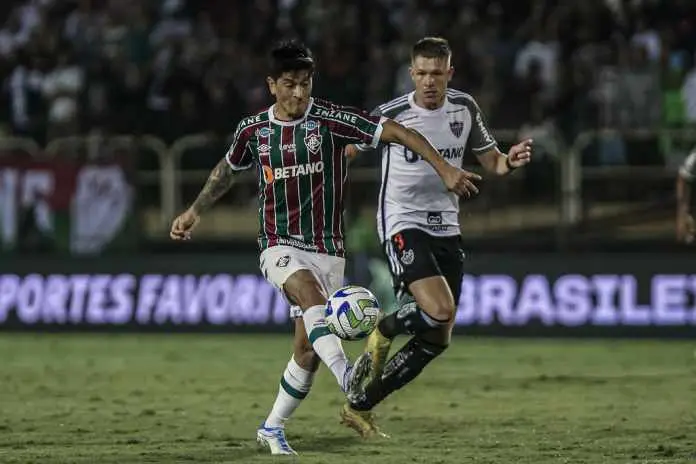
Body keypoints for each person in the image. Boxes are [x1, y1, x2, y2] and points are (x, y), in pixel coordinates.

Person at [169, 40, 482, 455]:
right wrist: (194, 210)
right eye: (288, 84)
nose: (298, 93)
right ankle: (348, 375)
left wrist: (443, 166)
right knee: (309, 295)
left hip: (328, 250)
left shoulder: (332, 121)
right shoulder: (253, 131)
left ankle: (271, 427)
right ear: (271, 85)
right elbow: (227, 168)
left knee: (306, 349)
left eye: (304, 83)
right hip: (278, 244)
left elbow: (397, 131)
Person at [341, 37, 533, 438]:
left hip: (447, 225)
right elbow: (350, 150)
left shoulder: (464, 108)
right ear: (412, 74)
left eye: (437, 73)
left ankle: (360, 404)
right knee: (441, 309)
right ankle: (385, 327)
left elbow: (493, 161)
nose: (429, 82)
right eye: (422, 73)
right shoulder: (392, 113)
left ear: (450, 73)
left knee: (438, 336)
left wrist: (509, 162)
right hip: (401, 222)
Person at [677, 148, 696, 244]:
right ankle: (688, 234)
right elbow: (682, 176)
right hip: (688, 180)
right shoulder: (693, 157)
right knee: (687, 208)